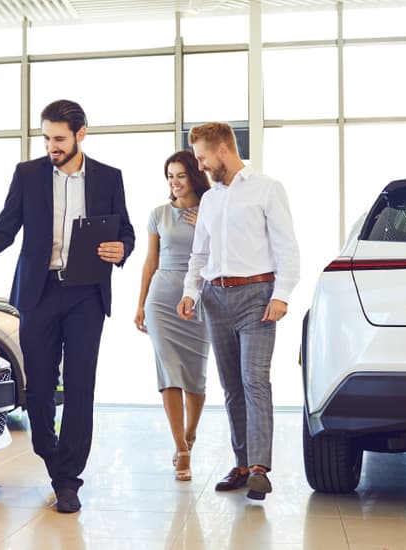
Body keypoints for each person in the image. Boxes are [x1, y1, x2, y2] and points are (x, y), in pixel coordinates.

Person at [0, 99, 135, 514]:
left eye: (59, 138)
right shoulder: (28, 175)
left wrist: (122, 249)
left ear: (81, 134)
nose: (51, 146)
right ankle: (50, 453)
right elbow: (3, 231)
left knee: (80, 386)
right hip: (39, 294)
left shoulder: (109, 178)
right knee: (39, 387)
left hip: (86, 294)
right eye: (45, 138)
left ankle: (68, 478)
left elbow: (125, 231)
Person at [175, 122, 299, 501]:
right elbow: (200, 253)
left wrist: (282, 294)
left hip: (257, 298)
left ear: (224, 150)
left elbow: (286, 246)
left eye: (202, 158)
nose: (201, 166)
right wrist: (190, 292)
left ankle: (260, 468)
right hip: (215, 298)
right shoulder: (211, 200)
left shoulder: (267, 189)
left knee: (254, 380)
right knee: (231, 387)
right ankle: (243, 464)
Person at [134, 150, 211, 482]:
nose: (175, 182)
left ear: (194, 175)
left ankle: (190, 434)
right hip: (162, 299)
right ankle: (180, 448)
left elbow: (227, 253)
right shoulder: (159, 214)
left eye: (180, 175)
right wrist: (140, 304)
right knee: (169, 372)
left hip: (201, 300)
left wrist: (209, 225)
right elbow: (150, 262)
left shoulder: (213, 209)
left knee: (195, 375)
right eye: (170, 176)